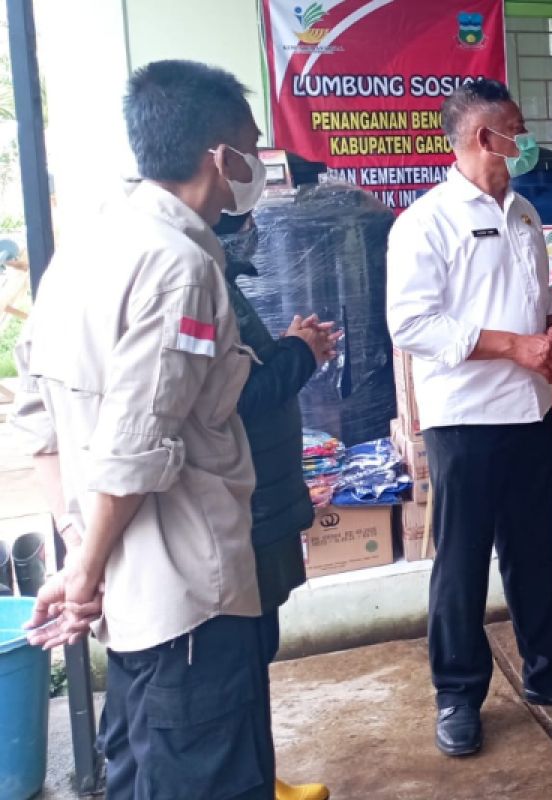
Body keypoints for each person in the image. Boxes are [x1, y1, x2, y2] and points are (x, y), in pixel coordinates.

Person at [13, 60, 276, 797]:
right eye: (250, 151)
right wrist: (84, 575)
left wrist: (79, 561)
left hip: (126, 599)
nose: (254, 169)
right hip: (187, 597)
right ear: (217, 158)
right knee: (208, 773)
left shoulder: (87, 247)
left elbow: (39, 419)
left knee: (139, 768)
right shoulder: (180, 265)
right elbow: (135, 447)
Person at [387, 78, 552, 758]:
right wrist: (514, 345)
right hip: (465, 420)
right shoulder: (425, 222)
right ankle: (458, 694)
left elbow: (537, 297)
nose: (527, 137)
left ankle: (550, 671)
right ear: (485, 138)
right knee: (460, 565)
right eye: (517, 127)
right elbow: (411, 322)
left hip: (529, 412)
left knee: (535, 554)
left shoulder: (522, 213)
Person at [215, 211, 339, 800]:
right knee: (242, 652)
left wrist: (289, 344)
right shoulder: (198, 283)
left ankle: (260, 775)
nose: (250, 225)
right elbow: (241, 398)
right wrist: (299, 352)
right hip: (247, 503)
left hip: (263, 496)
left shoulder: (222, 281)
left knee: (256, 646)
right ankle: (252, 781)